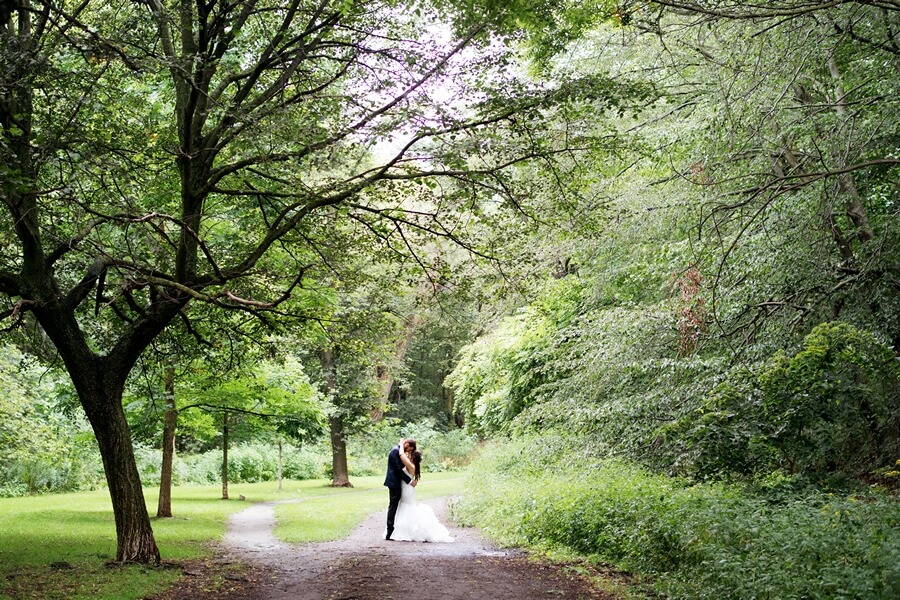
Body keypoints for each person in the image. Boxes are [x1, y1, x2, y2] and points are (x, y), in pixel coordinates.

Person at [383, 438, 454, 542]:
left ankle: (397, 531)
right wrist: (402, 444)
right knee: (395, 506)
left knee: (401, 506)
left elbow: (402, 460)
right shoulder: (395, 451)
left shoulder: (406, 459)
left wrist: (401, 444)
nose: (409, 452)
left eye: (411, 452)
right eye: (410, 449)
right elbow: (398, 469)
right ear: (407, 445)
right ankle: (391, 531)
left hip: (404, 486)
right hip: (396, 483)